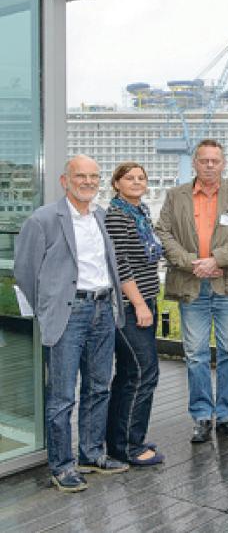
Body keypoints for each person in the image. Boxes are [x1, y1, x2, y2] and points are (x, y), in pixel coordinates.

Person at [14, 155, 128, 492]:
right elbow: (25, 272)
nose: (88, 182)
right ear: (65, 180)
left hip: (103, 309)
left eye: (94, 176)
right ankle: (61, 466)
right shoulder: (43, 220)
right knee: (62, 395)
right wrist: (49, 308)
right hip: (69, 313)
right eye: (81, 176)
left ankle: (91, 455)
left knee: (99, 387)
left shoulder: (101, 216)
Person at [156, 139, 228, 443]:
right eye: (204, 160)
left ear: (223, 163)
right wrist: (192, 263)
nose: (210, 165)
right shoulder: (176, 196)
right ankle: (201, 415)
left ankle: (227, 415)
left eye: (215, 160)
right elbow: (163, 232)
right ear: (195, 163)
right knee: (195, 354)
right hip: (192, 285)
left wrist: (217, 260)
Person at [104, 162, 165, 467]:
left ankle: (121, 438)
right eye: (130, 178)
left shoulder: (139, 213)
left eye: (142, 177)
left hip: (145, 300)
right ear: (116, 183)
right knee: (143, 372)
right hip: (130, 306)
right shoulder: (116, 217)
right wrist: (140, 304)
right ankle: (127, 445)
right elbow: (121, 265)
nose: (137, 182)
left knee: (130, 373)